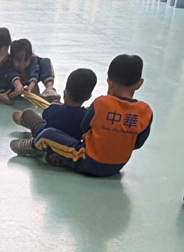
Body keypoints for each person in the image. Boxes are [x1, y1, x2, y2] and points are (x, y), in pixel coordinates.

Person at [10, 55, 152, 176]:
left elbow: (84, 127)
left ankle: (34, 145)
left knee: (48, 134)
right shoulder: (145, 111)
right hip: (116, 167)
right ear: (139, 83)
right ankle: (60, 157)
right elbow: (138, 143)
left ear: (109, 81)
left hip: (88, 160)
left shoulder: (102, 103)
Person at [11, 67, 97, 140]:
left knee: (28, 113)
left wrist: (55, 104)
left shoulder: (54, 107)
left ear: (64, 93)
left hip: (44, 136)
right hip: (69, 144)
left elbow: (45, 115)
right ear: (88, 97)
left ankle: (23, 120)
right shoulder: (85, 117)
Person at [0, 38, 60, 103]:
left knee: (45, 62)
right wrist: (18, 85)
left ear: (31, 56)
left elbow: (34, 71)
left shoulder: (33, 60)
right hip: (12, 86)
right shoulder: (7, 65)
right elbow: (11, 73)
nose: (22, 64)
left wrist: (31, 85)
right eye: (18, 60)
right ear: (11, 58)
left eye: (26, 60)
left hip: (30, 81)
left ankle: (49, 89)